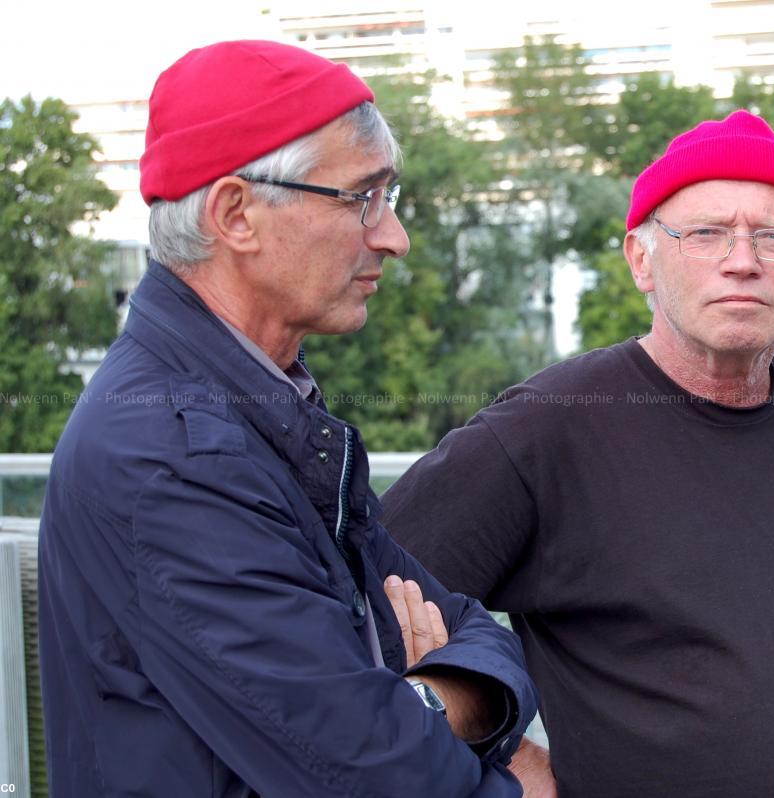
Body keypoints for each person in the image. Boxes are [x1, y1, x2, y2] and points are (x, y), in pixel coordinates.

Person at [380, 110, 774, 797]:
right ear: (642, 259)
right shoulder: (548, 428)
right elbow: (355, 605)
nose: (743, 260)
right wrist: (515, 768)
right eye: (706, 233)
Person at [37, 40, 536, 797]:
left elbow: (469, 629)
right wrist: (446, 708)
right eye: (362, 197)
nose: (393, 237)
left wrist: (426, 701)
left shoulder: (259, 414)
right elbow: (385, 777)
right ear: (237, 213)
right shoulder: (174, 458)